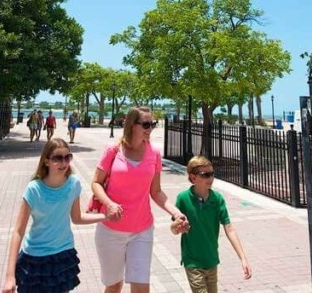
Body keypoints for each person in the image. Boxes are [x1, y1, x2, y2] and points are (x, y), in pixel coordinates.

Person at [91, 106, 186, 293]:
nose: (150, 128)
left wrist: (176, 213)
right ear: (131, 124)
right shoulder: (113, 149)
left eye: (153, 124)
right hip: (110, 230)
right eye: (146, 124)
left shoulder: (154, 154)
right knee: (113, 286)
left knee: (142, 287)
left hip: (142, 230)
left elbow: (156, 192)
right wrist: (109, 204)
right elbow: (96, 183)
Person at [2, 138, 106, 293]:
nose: (63, 163)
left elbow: (77, 218)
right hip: (35, 257)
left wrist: (105, 216)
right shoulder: (34, 189)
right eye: (58, 158)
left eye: (67, 157)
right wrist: (10, 276)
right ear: (46, 161)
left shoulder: (74, 184)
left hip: (63, 255)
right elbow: (18, 231)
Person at [170, 156, 251, 293]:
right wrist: (176, 228)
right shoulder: (183, 199)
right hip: (193, 262)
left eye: (212, 174)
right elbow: (174, 228)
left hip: (212, 260)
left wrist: (243, 258)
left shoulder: (217, 199)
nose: (210, 178)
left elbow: (229, 229)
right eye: (205, 175)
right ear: (193, 177)